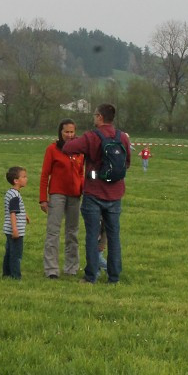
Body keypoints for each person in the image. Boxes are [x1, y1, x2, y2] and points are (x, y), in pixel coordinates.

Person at [62, 103, 130, 284]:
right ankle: (114, 277)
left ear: (100, 117)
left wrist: (74, 140)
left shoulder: (92, 137)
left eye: (95, 115)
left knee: (92, 236)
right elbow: (127, 163)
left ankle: (91, 276)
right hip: (115, 193)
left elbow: (67, 149)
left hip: (94, 192)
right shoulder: (122, 137)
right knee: (114, 236)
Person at [39, 118, 85, 279]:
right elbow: (45, 174)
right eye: (66, 132)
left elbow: (81, 172)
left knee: (72, 232)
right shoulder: (52, 150)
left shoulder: (79, 151)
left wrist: (82, 188)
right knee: (53, 232)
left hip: (75, 196)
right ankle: (51, 269)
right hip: (57, 194)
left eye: (72, 132)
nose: (69, 135)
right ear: (60, 132)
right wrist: (43, 198)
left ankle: (71, 267)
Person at [3, 166, 29, 280]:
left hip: (8, 229)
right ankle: (15, 276)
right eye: (24, 177)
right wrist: (15, 229)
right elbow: (13, 212)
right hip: (15, 231)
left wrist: (25, 215)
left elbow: (17, 209)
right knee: (16, 255)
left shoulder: (11, 193)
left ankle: (6, 273)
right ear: (16, 181)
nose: (26, 179)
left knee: (9, 252)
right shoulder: (15, 195)